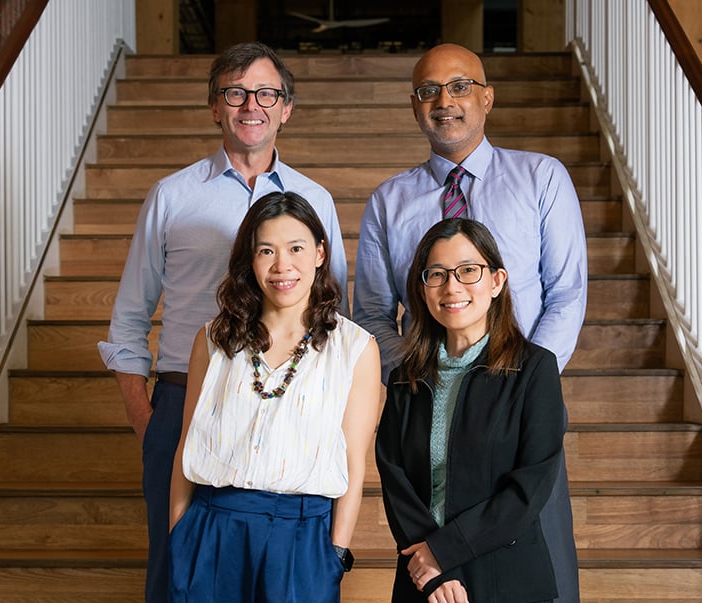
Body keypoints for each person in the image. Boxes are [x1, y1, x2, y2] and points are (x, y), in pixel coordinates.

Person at [97, 42, 348, 602]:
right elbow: (128, 322)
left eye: (266, 93)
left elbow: (334, 314)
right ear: (216, 106)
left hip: (288, 415)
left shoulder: (315, 200)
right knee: (175, 577)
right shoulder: (172, 196)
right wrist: (150, 423)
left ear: (286, 107)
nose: (250, 105)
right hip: (185, 403)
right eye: (235, 93)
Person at [354, 43, 584, 602]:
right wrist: (415, 376)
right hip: (429, 394)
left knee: (535, 575)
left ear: (486, 97)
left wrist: (521, 378)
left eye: (459, 87)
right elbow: (372, 314)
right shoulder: (389, 200)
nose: (444, 101)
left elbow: (567, 291)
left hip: (514, 413)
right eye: (428, 91)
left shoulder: (541, 178)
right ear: (414, 106)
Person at [168, 191, 380, 602]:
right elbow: (186, 445)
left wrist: (335, 552)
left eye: (296, 248)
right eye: (266, 250)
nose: (282, 266)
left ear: (320, 253)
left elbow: (355, 465)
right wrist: (180, 532)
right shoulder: (212, 340)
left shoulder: (355, 348)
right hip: (212, 528)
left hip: (303, 537)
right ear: (250, 259)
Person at [376, 218, 569, 603]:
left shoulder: (533, 370)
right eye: (437, 274)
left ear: (496, 281)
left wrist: (444, 552)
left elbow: (529, 488)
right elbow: (394, 476)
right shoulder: (404, 377)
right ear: (422, 287)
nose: (452, 287)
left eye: (468, 271)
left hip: (506, 576)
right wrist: (431, 569)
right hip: (424, 581)